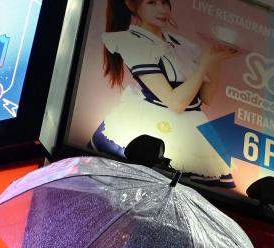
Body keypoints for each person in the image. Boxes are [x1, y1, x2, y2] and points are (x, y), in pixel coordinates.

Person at [91, 0, 238, 188]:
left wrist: (215, 59)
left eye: (165, 3)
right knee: (144, 182)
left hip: (192, 122)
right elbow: (176, 102)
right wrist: (204, 65)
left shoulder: (180, 43)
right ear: (132, 5)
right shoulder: (129, 41)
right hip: (151, 117)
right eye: (152, 3)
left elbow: (205, 97)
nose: (162, 10)